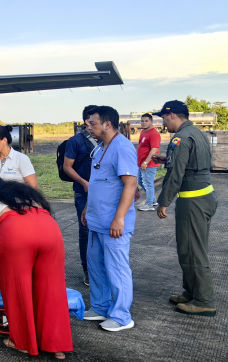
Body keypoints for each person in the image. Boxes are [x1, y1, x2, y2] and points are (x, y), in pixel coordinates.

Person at [0, 175, 71, 360]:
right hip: (50, 232)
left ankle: (23, 342)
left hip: (17, 234)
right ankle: (56, 345)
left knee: (17, 288)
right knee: (52, 289)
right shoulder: (26, 196)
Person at [152, 100, 218, 316]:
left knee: (193, 251)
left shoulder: (180, 137)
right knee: (189, 249)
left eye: (162, 118)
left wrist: (163, 201)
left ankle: (204, 300)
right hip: (203, 197)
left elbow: (176, 175)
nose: (163, 123)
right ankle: (191, 292)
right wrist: (166, 159)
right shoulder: (196, 133)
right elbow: (191, 163)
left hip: (192, 202)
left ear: (171, 115)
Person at [81, 106, 138, 332]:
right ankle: (101, 307)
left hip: (113, 224)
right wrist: (87, 208)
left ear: (107, 124)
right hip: (96, 220)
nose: (88, 127)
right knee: (96, 267)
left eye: (92, 123)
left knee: (117, 269)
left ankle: (122, 316)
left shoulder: (122, 147)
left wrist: (119, 218)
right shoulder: (100, 148)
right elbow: (97, 182)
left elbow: (130, 184)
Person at [0, 125, 38, 267]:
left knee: (14, 249)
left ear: (4, 140)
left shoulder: (21, 159)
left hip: (15, 215)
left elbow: (33, 187)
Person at [62, 105, 98, 286]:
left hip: (102, 194)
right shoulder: (75, 141)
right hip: (82, 194)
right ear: (87, 121)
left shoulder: (105, 140)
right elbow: (67, 167)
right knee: (85, 231)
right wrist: (84, 183)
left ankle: (99, 267)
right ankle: (87, 269)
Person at [136, 113, 161, 211]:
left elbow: (154, 149)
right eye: (142, 121)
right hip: (141, 163)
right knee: (141, 182)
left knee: (148, 183)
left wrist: (145, 162)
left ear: (151, 122)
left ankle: (149, 204)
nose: (144, 123)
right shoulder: (143, 132)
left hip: (149, 164)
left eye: (146, 121)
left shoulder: (154, 133)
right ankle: (153, 200)